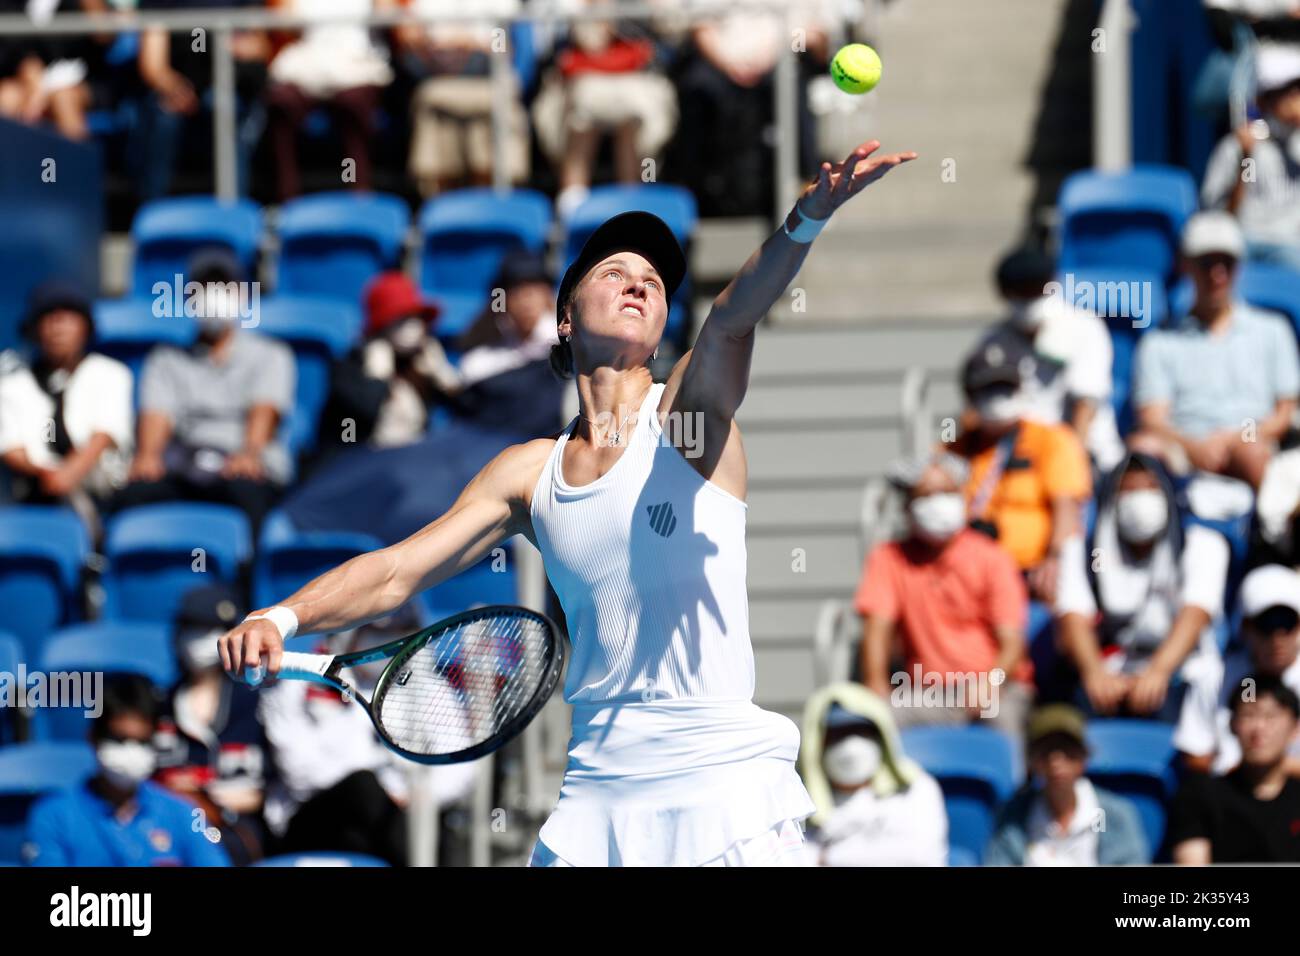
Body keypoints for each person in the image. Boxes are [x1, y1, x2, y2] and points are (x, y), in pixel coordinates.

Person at [218, 138, 918, 867]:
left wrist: (804, 220)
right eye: (615, 272)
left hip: (723, 789)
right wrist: (281, 616)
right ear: (564, 319)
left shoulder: (688, 418)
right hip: (595, 799)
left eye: (652, 280)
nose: (639, 283)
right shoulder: (528, 473)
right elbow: (396, 571)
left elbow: (732, 319)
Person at [258, 603, 476, 865]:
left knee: (432, 828)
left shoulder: (430, 690)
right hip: (315, 818)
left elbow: (459, 764)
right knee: (365, 787)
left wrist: (418, 796)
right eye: (376, 633)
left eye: (400, 634)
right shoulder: (301, 685)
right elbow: (299, 768)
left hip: (399, 815)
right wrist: (384, 792)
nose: (387, 645)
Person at [854, 452, 1033, 741]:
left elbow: (1012, 642)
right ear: (908, 506)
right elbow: (876, 629)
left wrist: (990, 682)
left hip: (997, 688)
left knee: (1000, 719)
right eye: (926, 495)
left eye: (947, 492)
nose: (938, 502)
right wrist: (875, 685)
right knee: (876, 719)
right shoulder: (889, 559)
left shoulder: (992, 557)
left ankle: (1015, 786)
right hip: (927, 694)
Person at [117, 248, 296, 533]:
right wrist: (148, 456)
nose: (213, 296)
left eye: (224, 287)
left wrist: (248, 453)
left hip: (240, 467)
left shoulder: (271, 355)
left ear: (242, 296)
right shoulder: (166, 359)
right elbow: (156, 416)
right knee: (136, 494)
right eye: (203, 288)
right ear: (189, 299)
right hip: (185, 467)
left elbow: (264, 413)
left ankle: (248, 574)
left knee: (249, 496)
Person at [1130, 211, 1300, 489]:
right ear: (1186, 265)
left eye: (1227, 263)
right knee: (1141, 452)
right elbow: (1152, 418)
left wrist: (1236, 439)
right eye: (1207, 262)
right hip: (1180, 448)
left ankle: (1271, 531)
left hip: (1250, 443)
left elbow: (1284, 413)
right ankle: (1146, 530)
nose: (1217, 274)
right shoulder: (1159, 341)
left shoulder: (1274, 330)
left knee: (1253, 453)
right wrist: (1195, 447)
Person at [1054, 453, 1230, 720]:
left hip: (1180, 672)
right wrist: (1095, 673)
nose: (1140, 498)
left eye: (1151, 487)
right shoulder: (1081, 550)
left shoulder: (1204, 544)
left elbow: (1195, 614)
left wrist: (1158, 672)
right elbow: (1074, 616)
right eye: (1129, 489)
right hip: (1110, 671)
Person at [21, 674, 231, 866]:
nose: (130, 751)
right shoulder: (53, 817)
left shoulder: (184, 813)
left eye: (142, 742)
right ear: (93, 738)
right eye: (119, 739)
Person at [950, 335, 1093, 604]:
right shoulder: (956, 447)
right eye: (989, 390)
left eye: (1005, 388)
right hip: (965, 576)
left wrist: (1055, 557)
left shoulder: (1052, 439)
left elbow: (1068, 506)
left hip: (1031, 575)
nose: (998, 399)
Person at [0, 279, 133, 532]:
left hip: (103, 493)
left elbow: (104, 434)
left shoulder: (111, 374)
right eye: (49, 318)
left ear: (85, 327)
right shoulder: (12, 382)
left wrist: (69, 474)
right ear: (35, 330)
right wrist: (48, 474)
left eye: (67, 318)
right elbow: (11, 447)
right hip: (35, 493)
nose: (57, 327)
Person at [531, 0, 678, 220]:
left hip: (639, 82)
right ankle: (571, 209)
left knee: (634, 116)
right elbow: (584, 42)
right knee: (582, 114)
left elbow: (673, 31)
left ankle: (632, 210)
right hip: (579, 83)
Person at [980, 246, 1123, 472]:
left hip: (1084, 458)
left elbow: (1085, 406)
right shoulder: (993, 341)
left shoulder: (1084, 326)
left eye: (1034, 288)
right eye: (1020, 290)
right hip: (1019, 459)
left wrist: (1068, 467)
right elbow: (978, 408)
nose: (1028, 297)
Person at [154, 584, 268, 865]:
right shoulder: (158, 706)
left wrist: (214, 796)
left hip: (237, 834)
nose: (198, 640)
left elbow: (276, 790)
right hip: (168, 830)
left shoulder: (258, 706)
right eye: (191, 629)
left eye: (210, 630)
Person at [315, 270, 463, 459]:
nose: (413, 328)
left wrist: (445, 377)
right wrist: (378, 376)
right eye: (402, 320)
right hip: (358, 468)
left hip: (413, 465)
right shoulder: (347, 368)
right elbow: (365, 411)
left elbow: (472, 412)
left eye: (416, 318)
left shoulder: (420, 366)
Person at [133, 0, 271, 200]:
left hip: (228, 86)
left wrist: (229, 42)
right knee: (164, 116)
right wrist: (176, 89)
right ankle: (153, 208)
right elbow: (153, 65)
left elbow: (259, 47)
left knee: (225, 106)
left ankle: (234, 209)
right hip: (176, 89)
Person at [798, 685, 948, 866]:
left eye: (860, 731)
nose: (850, 746)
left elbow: (920, 855)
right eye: (837, 735)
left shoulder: (916, 788)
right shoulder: (800, 803)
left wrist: (828, 857)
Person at [394, 0, 530, 197]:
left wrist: (470, 42)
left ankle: (489, 202)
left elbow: (503, 49)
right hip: (438, 80)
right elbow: (409, 39)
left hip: (487, 79)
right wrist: (430, 44)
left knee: (482, 113)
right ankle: (441, 205)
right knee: (434, 101)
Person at [265, 0, 399, 200]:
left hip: (358, 65)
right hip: (308, 66)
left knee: (351, 104)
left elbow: (392, 17)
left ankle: (358, 191)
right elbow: (284, 24)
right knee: (281, 101)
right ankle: (287, 198)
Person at [1174, 564, 1300, 775]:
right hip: (1228, 799)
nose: (1278, 638)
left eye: (1288, 623)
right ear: (1245, 627)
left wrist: (1267, 771)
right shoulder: (1215, 676)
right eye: (1266, 625)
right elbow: (1195, 754)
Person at [985, 704, 1149, 866]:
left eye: (1067, 749)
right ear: (1031, 759)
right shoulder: (1013, 816)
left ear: (1084, 756)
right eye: (1046, 750)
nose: (1056, 761)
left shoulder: (1113, 815)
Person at [1169, 676, 1300, 863]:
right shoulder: (1200, 795)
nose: (1259, 728)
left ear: (1295, 727)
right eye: (1248, 715)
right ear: (1232, 724)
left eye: (1271, 716)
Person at [1202, 43, 1300, 269]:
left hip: (1292, 249)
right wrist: (1246, 159)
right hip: (1242, 244)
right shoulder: (1235, 146)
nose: (1296, 100)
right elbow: (1219, 220)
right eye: (1289, 92)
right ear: (1264, 100)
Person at [455, 251, 562, 388]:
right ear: (502, 298)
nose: (525, 300)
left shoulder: (567, 344)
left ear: (547, 294)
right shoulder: (480, 361)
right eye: (517, 291)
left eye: (533, 290)